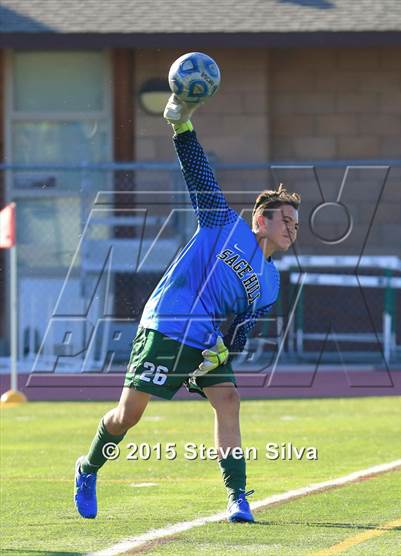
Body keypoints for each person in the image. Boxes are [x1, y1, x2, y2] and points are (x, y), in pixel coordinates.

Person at [74, 93, 300, 523]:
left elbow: (242, 329)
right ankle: (88, 468)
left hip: (205, 341)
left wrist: (226, 353)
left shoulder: (270, 283)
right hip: (168, 324)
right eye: (284, 219)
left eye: (296, 223)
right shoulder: (223, 224)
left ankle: (238, 498)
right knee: (129, 416)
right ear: (260, 220)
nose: (292, 228)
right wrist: (181, 125)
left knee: (229, 399)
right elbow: (199, 175)